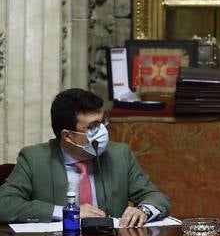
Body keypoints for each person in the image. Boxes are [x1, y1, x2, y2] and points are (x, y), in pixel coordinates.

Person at [0, 88, 170, 226]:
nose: (103, 130)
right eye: (93, 126)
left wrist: (143, 210)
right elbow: (4, 204)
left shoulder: (119, 155)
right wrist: (68, 212)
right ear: (67, 136)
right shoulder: (34, 158)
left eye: (103, 122)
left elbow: (157, 197)